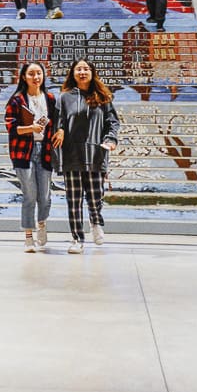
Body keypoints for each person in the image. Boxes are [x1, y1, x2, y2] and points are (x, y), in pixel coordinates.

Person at [57, 58, 120, 253]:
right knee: (74, 200)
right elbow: (58, 120)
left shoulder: (103, 97)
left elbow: (113, 122)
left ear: (92, 73)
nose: (82, 72)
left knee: (95, 197)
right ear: (73, 73)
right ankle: (77, 239)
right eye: (78, 69)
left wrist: (111, 139)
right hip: (71, 155)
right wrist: (59, 130)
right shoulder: (64, 97)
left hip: (95, 154)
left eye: (86, 69)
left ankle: (95, 221)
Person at [4, 62, 62, 252]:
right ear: (24, 77)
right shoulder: (17, 100)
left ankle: (42, 223)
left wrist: (61, 131)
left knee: (45, 195)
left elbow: (59, 121)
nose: (36, 77)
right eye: (31, 74)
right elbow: (11, 128)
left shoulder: (50, 98)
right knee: (30, 195)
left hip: (45, 151)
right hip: (23, 152)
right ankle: (28, 236)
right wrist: (31, 128)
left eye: (39, 73)